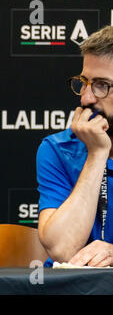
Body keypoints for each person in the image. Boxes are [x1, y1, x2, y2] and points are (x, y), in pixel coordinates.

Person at [37, 25, 113, 267]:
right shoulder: (58, 148)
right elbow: (62, 248)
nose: (86, 98)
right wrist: (97, 154)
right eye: (84, 82)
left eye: (102, 85)